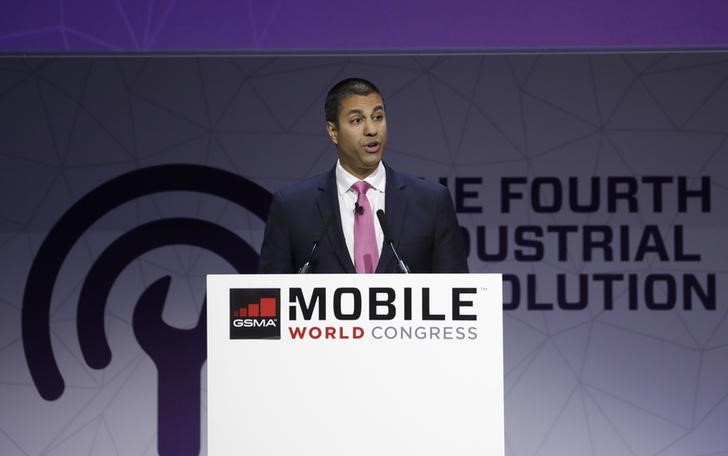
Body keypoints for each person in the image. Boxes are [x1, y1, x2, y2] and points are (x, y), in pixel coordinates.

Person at [258, 77, 468, 274]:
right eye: (357, 120)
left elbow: (459, 295)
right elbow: (268, 296)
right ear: (333, 131)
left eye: (378, 117)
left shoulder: (431, 202)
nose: (371, 130)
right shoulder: (292, 206)